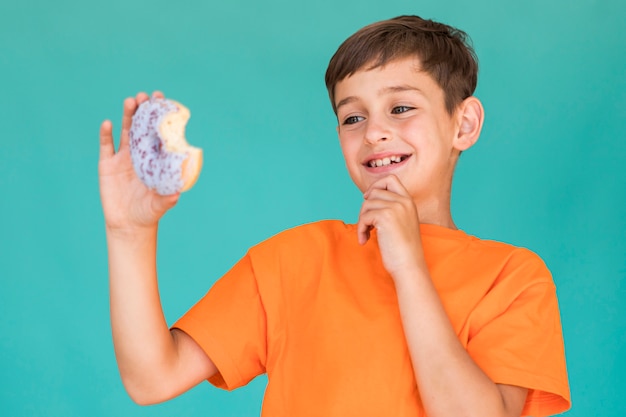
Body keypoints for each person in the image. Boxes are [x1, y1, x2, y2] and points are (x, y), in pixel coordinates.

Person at [99, 15, 570, 417]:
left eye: (401, 108)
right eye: (352, 117)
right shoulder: (295, 259)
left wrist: (408, 266)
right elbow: (152, 379)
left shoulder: (513, 279)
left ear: (463, 124)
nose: (375, 133)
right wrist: (129, 231)